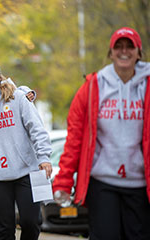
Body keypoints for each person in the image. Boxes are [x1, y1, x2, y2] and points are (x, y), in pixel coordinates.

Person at [52, 27, 150, 239]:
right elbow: (75, 139)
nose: (124, 51)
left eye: (129, 47)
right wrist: (63, 181)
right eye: (118, 47)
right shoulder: (92, 87)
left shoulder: (147, 84)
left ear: (139, 52)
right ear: (111, 53)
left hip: (141, 185)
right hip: (103, 183)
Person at [0, 59, 52, 240]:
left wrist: (44, 157)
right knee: (3, 230)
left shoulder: (18, 97)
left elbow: (37, 128)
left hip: (26, 172)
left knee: (31, 222)